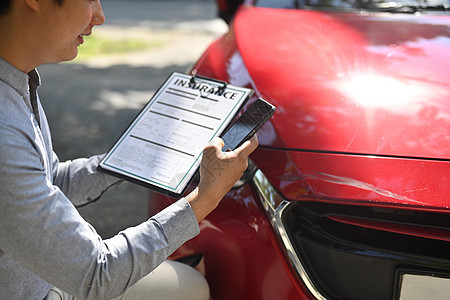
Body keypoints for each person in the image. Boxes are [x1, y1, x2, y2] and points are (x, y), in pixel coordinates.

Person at [0, 0, 259, 299]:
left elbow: (46, 181)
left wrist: (133, 157)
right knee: (193, 285)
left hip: (48, 277)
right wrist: (205, 197)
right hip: (53, 285)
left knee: (190, 280)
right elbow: (96, 274)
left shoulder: (17, 80)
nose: (99, 16)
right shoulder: (5, 130)